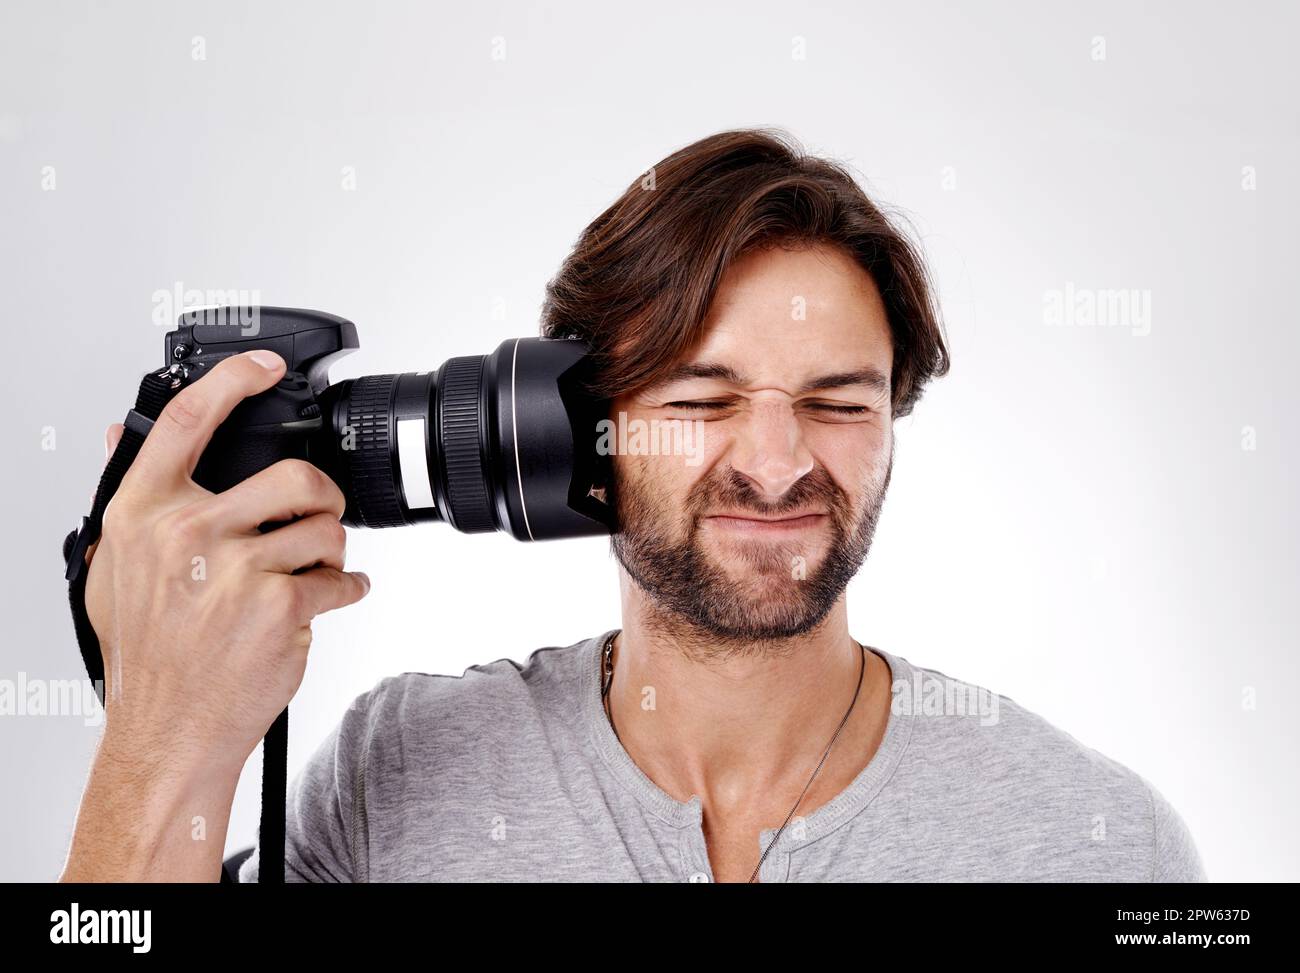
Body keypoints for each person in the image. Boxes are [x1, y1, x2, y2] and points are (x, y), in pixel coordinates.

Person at [59, 128, 1205, 883]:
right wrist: (161, 737)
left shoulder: (1099, 842)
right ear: (575, 430)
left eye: (836, 401)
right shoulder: (393, 778)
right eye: (701, 399)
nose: (776, 464)